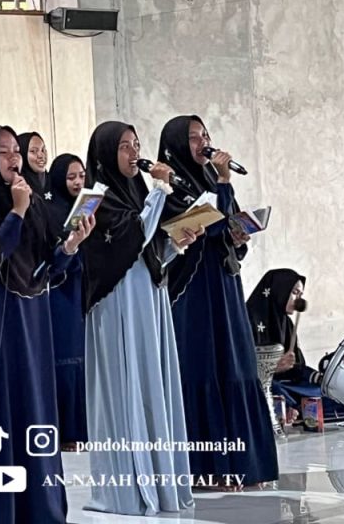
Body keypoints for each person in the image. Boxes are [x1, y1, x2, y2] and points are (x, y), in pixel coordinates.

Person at [0, 126, 92, 524]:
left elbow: (49, 262)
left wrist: (71, 245)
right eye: (2, 152)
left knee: (35, 409)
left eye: (16, 151)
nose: (13, 159)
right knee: (1, 415)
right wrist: (15, 212)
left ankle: (39, 511)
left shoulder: (32, 200)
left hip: (32, 320)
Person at [81, 121, 200, 516]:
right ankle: (124, 489)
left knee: (152, 384)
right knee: (125, 383)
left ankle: (160, 482)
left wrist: (175, 242)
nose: (135, 153)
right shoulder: (98, 198)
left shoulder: (137, 194)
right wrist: (161, 192)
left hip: (148, 301)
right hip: (117, 305)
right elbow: (127, 239)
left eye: (137, 144)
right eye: (125, 147)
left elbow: (149, 249)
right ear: (106, 153)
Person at [158, 115, 278, 486]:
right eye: (194, 138)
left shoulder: (212, 180)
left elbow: (224, 229)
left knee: (235, 365)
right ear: (177, 145)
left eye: (205, 135)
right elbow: (200, 225)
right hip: (193, 295)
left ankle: (245, 464)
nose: (203, 143)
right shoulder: (172, 189)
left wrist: (239, 237)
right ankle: (208, 469)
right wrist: (224, 185)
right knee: (203, 367)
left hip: (224, 288)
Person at [246, 269, 344, 423]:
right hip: (262, 384)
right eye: (295, 293)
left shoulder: (287, 324)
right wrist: (273, 368)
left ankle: (295, 410)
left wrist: (318, 378)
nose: (298, 299)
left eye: (301, 295)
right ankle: (290, 410)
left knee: (330, 395)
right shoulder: (247, 319)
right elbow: (239, 368)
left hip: (288, 386)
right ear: (280, 290)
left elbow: (296, 368)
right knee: (272, 390)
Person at [44, 153, 89, 450]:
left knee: (81, 360)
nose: (76, 182)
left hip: (82, 290)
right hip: (59, 293)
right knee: (64, 360)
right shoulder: (49, 210)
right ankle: (65, 431)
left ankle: (81, 429)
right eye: (71, 177)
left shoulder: (86, 209)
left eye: (81, 176)